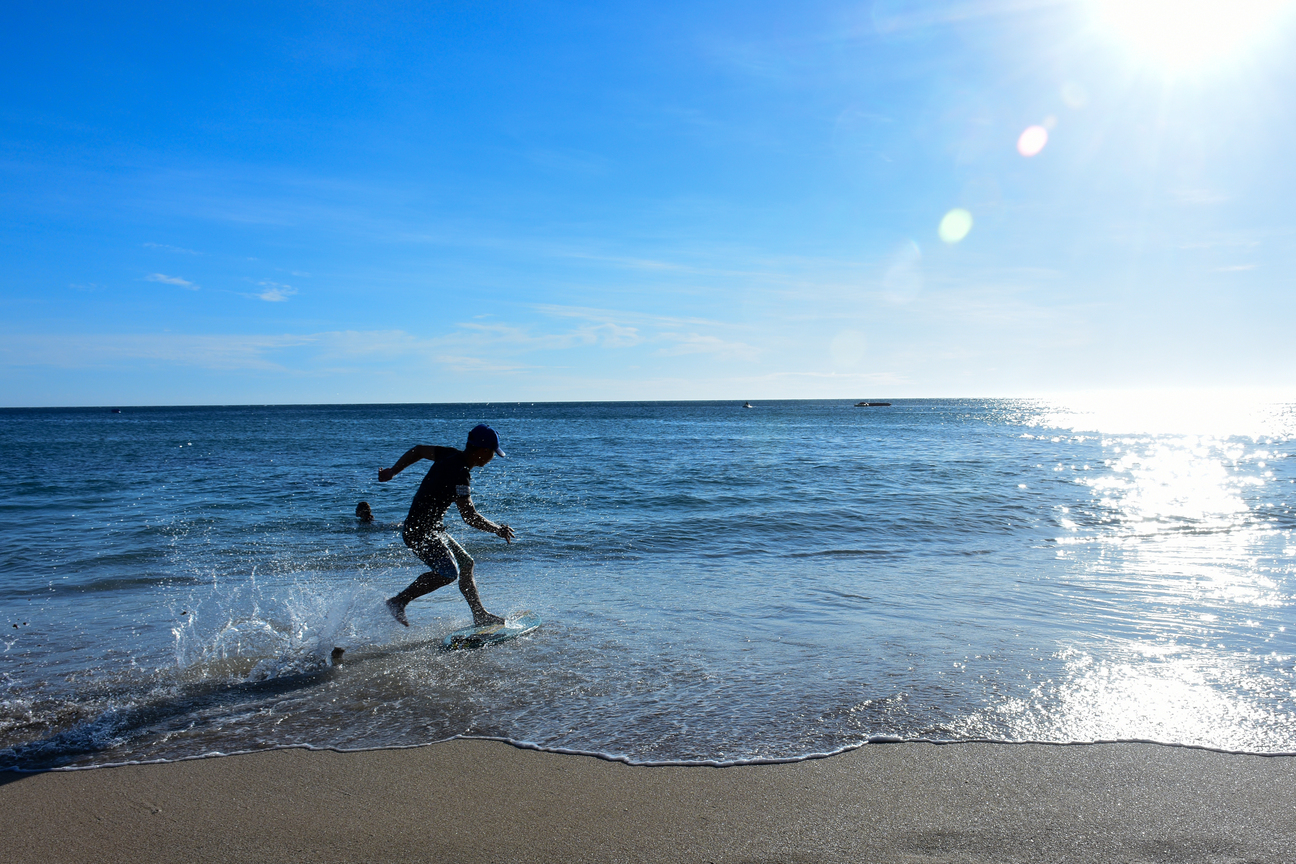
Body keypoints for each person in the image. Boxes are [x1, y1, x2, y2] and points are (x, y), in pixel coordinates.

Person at [378, 424, 515, 627]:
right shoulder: (460, 473)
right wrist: (497, 529)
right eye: (493, 453)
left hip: (430, 529)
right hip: (419, 532)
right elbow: (469, 516)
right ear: (483, 451)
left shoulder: (449, 454)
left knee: (466, 564)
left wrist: (393, 471)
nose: (492, 458)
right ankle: (398, 601)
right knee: (448, 573)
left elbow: (418, 450)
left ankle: (479, 615)